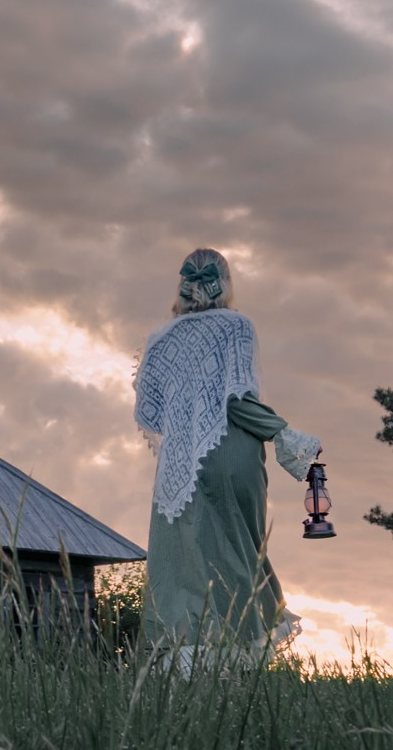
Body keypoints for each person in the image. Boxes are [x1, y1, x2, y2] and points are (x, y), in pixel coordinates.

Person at [132, 248, 321, 668]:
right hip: (230, 451)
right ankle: (237, 659)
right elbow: (235, 398)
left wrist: (187, 414)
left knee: (180, 559)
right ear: (226, 282)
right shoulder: (236, 326)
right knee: (239, 552)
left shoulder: (160, 339)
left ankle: (183, 661)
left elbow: (149, 408)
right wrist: (282, 432)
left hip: (178, 463)